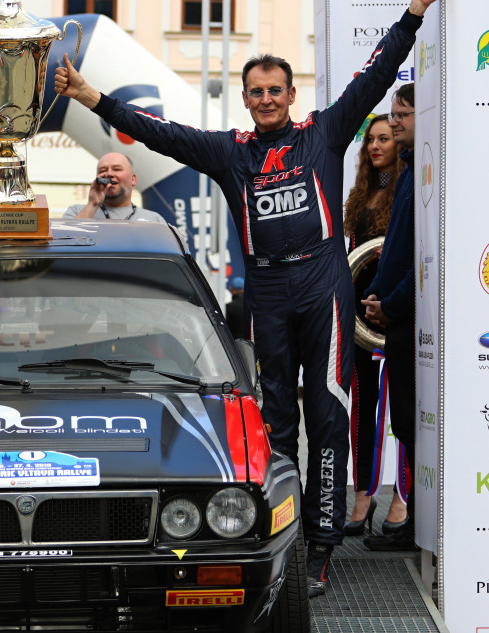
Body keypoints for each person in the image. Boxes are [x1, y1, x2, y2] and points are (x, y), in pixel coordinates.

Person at [53, 0, 435, 598]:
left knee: (328, 416)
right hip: (267, 293)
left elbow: (376, 74)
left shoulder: (324, 132)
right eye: (256, 92)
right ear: (246, 98)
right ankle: (285, 539)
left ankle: (322, 546)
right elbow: (159, 132)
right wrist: (89, 96)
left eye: (275, 90)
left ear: (290, 94)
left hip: (323, 287)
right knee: (275, 420)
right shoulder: (231, 151)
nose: (266, 99)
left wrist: (412, 14)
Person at [342, 114, 408, 537]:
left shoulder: (408, 189)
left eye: (384, 138)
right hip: (359, 319)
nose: (375, 146)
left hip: (396, 314)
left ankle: (402, 496)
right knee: (363, 410)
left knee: (402, 410)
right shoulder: (361, 194)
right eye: (371, 139)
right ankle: (363, 494)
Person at [362, 84, 420, 552]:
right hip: (395, 317)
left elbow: (424, 258)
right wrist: (378, 296)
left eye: (402, 114)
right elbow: (397, 251)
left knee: (415, 424)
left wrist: (392, 303)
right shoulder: (408, 170)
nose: (394, 122)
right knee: (404, 421)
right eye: (393, 114)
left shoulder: (426, 172)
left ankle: (415, 520)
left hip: (412, 320)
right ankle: (413, 520)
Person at [62, 152, 166, 223]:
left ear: (133, 179)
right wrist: (93, 204)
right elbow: (66, 242)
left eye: (117, 169)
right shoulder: (76, 211)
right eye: (102, 170)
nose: (109, 174)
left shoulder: (154, 219)